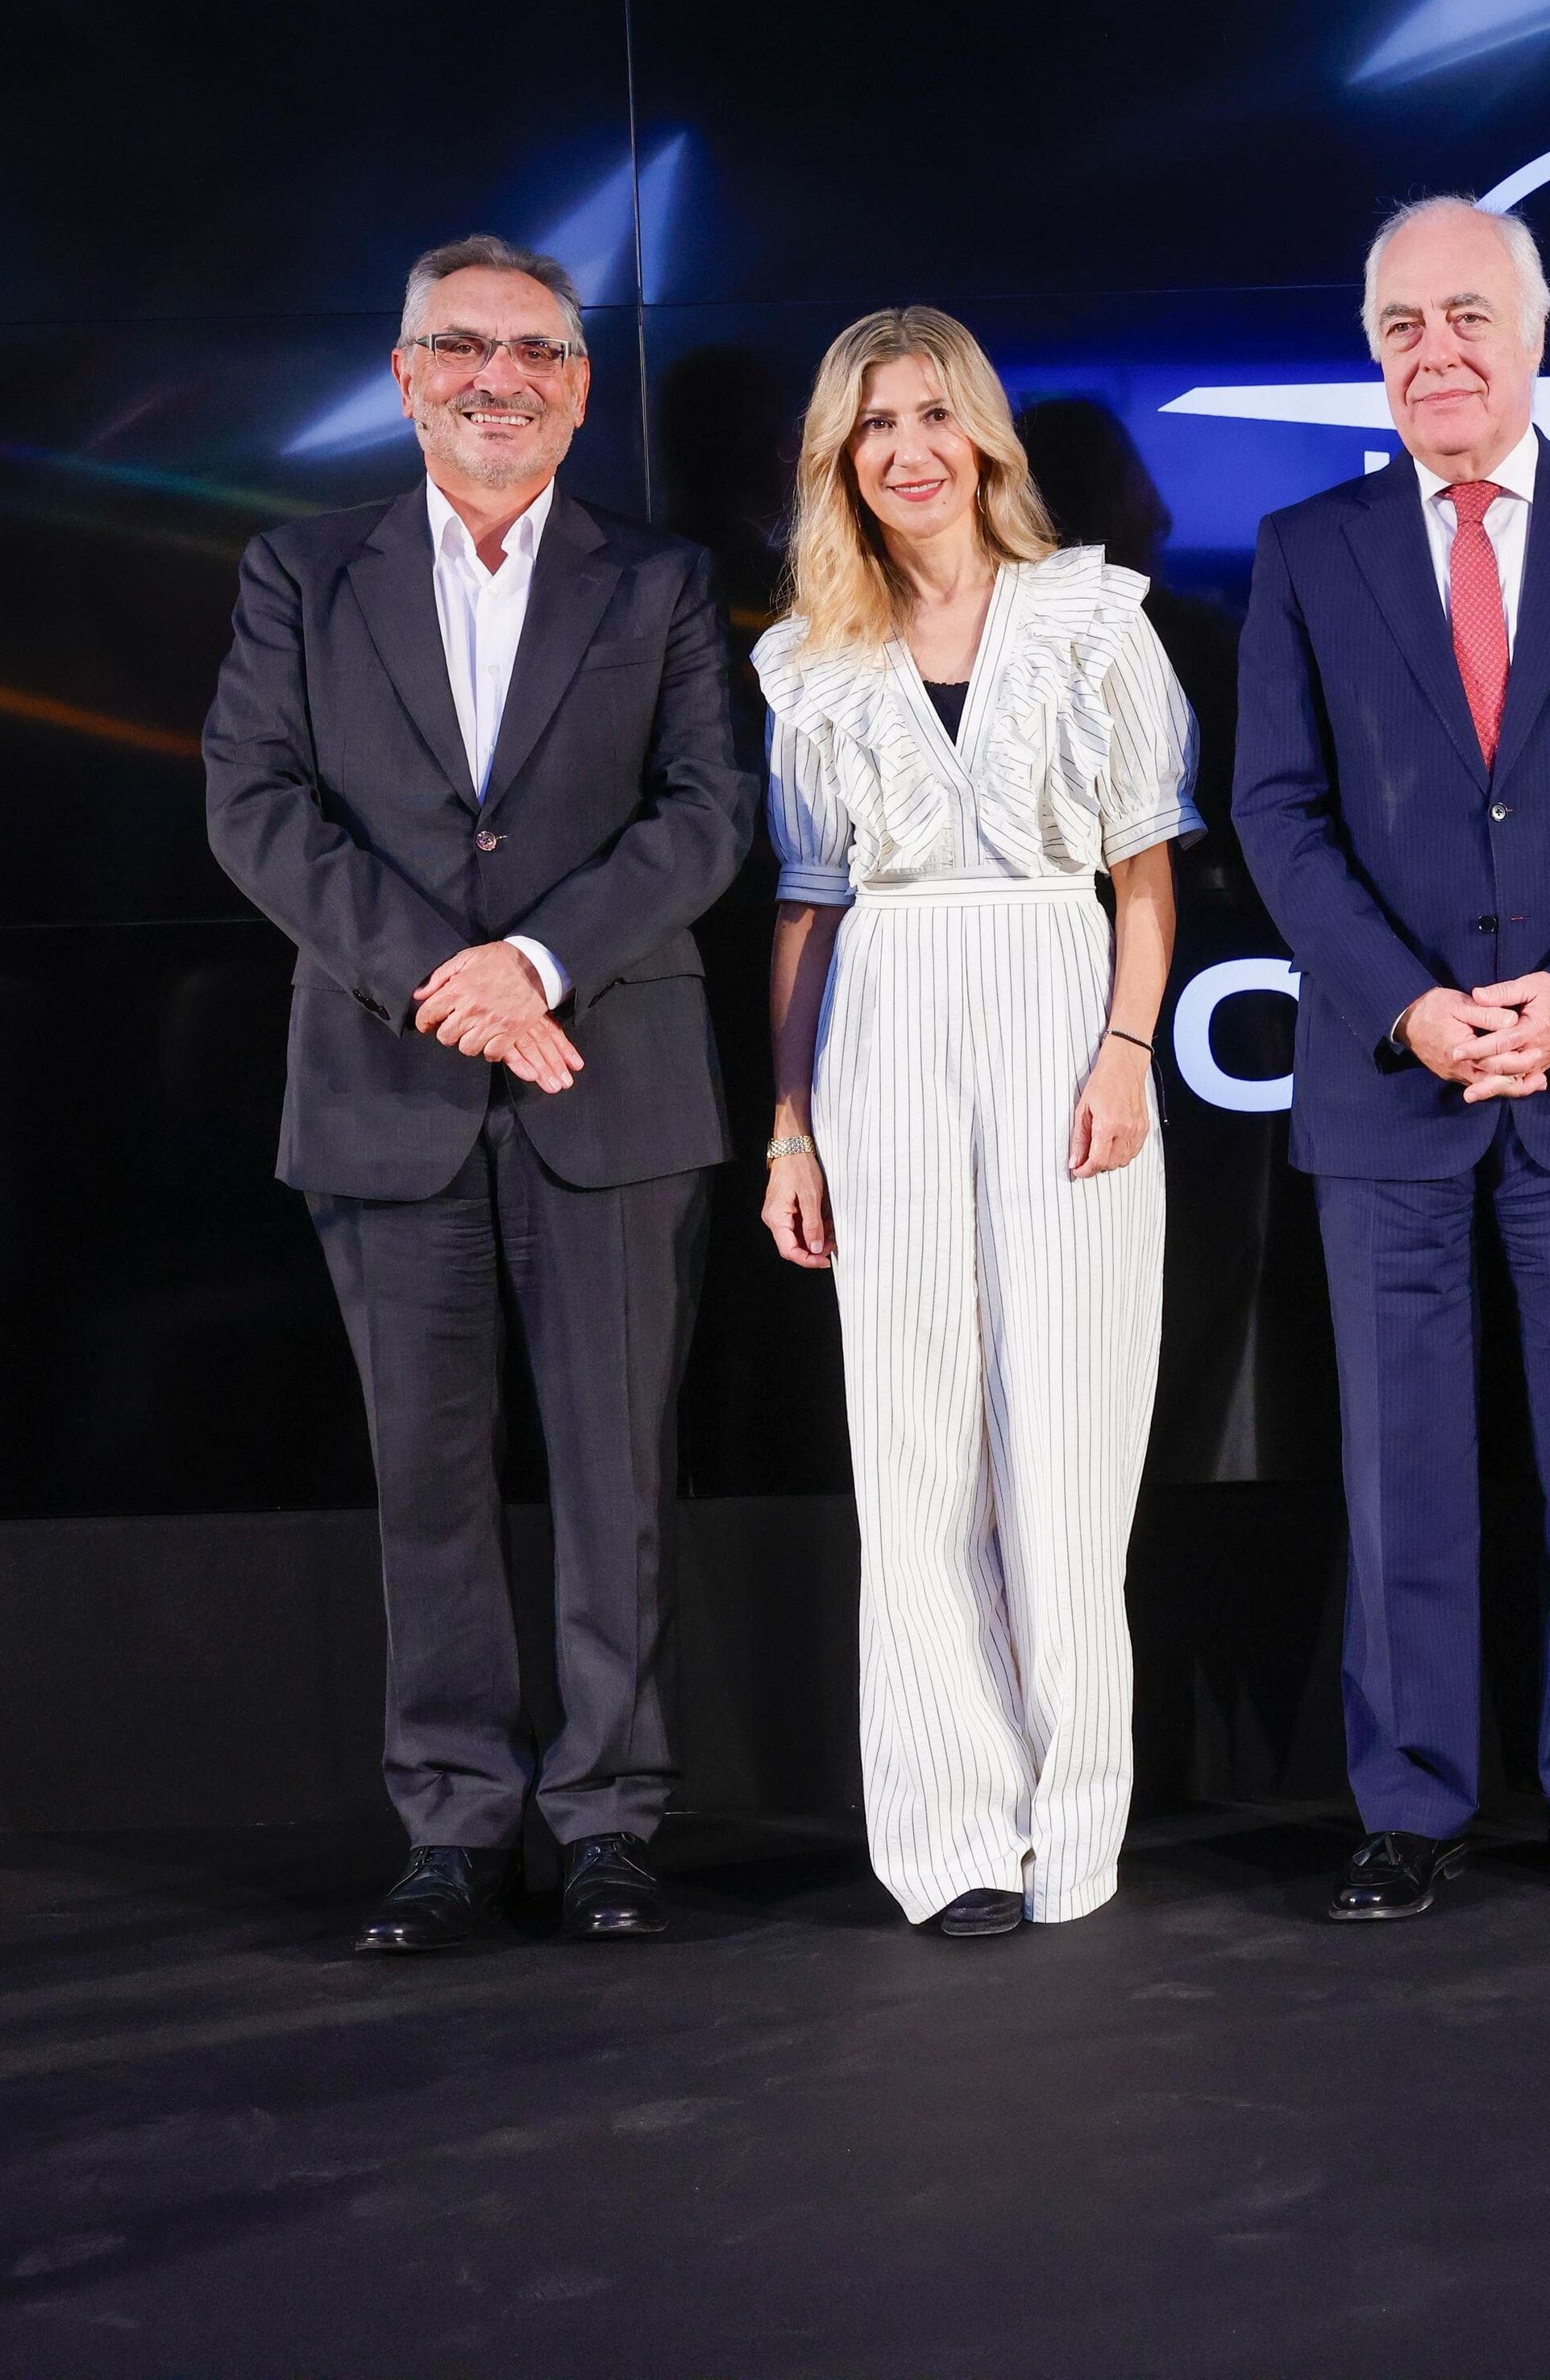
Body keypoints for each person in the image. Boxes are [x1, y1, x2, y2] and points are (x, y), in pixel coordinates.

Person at [204, 235, 750, 1956]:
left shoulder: (660, 581)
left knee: (618, 1480)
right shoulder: (301, 574)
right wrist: (446, 976)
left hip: (610, 1086)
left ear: (579, 388)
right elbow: (254, 804)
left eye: (532, 351)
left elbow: (707, 811)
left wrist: (539, 965)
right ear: (404, 374)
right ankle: (451, 1824)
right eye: (460, 346)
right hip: (387, 1084)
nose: (495, 377)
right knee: (426, 1485)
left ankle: (607, 1822)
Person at [1232, 198, 1550, 1925]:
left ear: (1533, 331)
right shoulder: (1305, 548)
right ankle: (1411, 1804)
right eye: (1401, 326)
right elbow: (1277, 811)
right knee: (1402, 1485)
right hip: (1390, 1085)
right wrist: (1407, 1004)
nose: (1434, 352)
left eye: (1466, 317)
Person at [753, 309, 1199, 1937]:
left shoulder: (1092, 619)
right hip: (883, 1026)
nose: (910, 450)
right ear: (841, 458)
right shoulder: (811, 658)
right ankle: (950, 1837)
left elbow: (1145, 870)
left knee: (1070, 1439)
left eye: (935, 415)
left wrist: (1124, 1050)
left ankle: (1069, 1828)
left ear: (984, 437)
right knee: (915, 1441)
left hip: (1061, 1007)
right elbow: (805, 906)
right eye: (876, 425)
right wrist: (791, 1126)